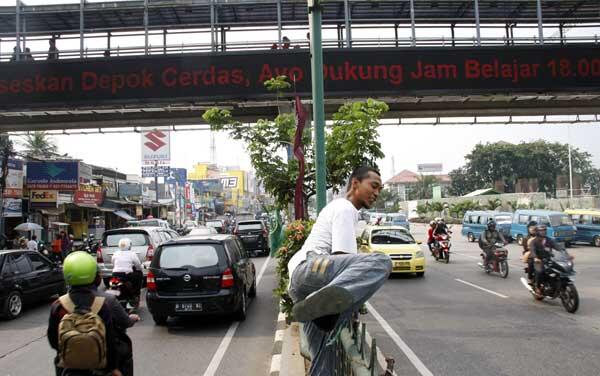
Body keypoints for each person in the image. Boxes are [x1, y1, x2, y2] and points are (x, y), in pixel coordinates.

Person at [287, 166, 392, 376]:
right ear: (355, 184)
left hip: (300, 289)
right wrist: (349, 311)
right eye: (373, 186)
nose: (377, 193)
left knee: (325, 361)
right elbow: (340, 259)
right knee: (381, 262)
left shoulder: (339, 209)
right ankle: (326, 309)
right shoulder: (345, 208)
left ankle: (325, 314)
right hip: (312, 270)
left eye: (380, 189)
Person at [47, 252, 139, 376]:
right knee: (124, 348)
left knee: (58, 361)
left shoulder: (58, 305)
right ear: (94, 276)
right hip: (102, 366)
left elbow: (53, 339)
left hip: (68, 366)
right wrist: (112, 368)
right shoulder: (104, 303)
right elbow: (109, 340)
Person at [529, 224, 565, 294]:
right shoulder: (534, 241)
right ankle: (537, 286)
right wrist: (536, 258)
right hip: (539, 261)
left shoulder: (549, 240)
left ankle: (560, 285)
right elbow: (532, 251)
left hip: (548, 260)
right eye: (541, 230)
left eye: (545, 230)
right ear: (537, 231)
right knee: (540, 271)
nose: (543, 232)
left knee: (562, 270)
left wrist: (566, 254)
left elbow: (557, 247)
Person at [111, 238, 143, 303]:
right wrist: (140, 269)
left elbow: (113, 263)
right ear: (129, 246)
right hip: (127, 275)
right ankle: (136, 293)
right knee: (139, 274)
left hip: (115, 274)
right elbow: (138, 266)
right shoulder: (132, 254)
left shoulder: (115, 253)